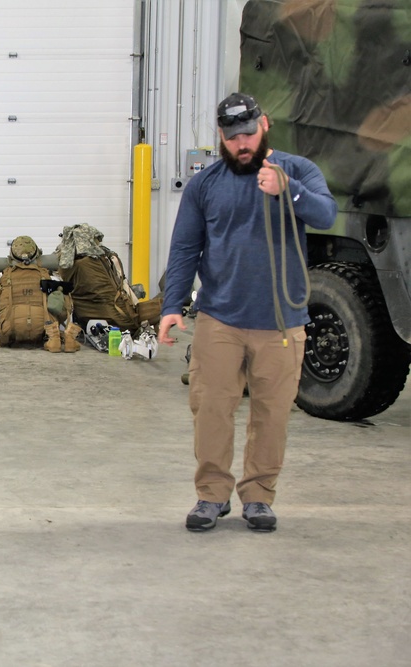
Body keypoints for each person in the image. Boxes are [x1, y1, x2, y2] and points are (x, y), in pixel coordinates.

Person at [158, 93, 338, 533]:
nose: (241, 144)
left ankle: (259, 496)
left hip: (281, 321)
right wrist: (171, 306)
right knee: (212, 409)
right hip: (220, 319)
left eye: (248, 134)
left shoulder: (297, 171)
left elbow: (327, 214)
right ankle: (211, 496)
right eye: (232, 136)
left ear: (265, 126)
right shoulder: (206, 184)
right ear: (221, 136)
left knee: (272, 413)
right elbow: (185, 248)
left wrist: (287, 191)